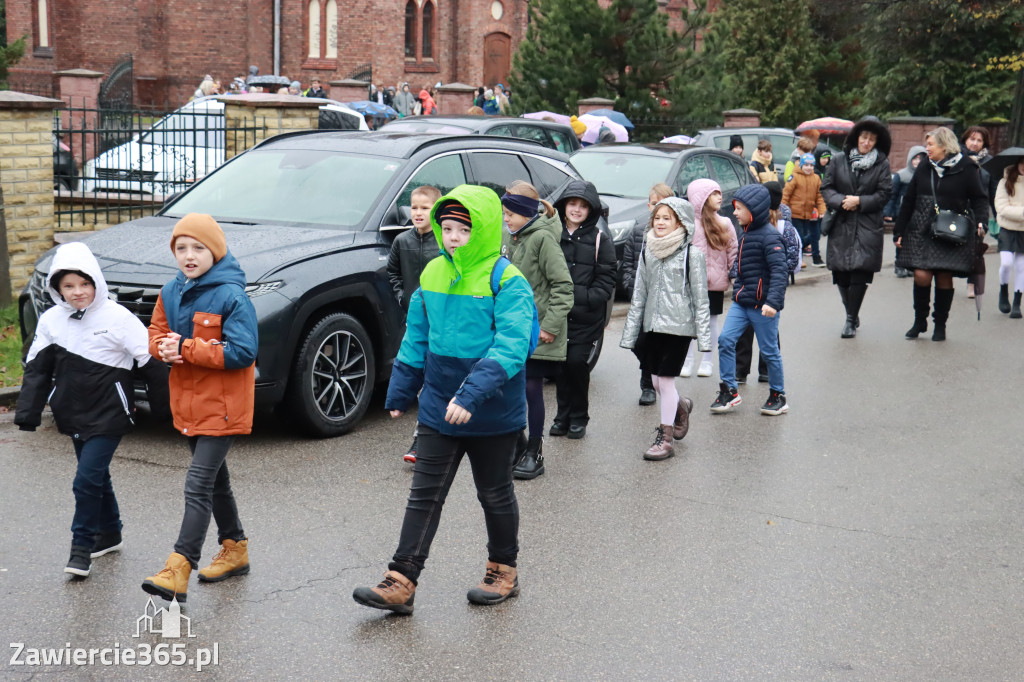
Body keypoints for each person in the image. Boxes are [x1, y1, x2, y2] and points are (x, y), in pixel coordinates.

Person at [352, 185, 536, 614]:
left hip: (492, 409)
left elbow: (511, 347)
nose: (452, 236)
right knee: (424, 494)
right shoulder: (433, 273)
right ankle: (401, 579)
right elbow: (417, 336)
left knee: (494, 494)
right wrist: (401, 387)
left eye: (463, 229)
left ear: (486, 229)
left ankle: (503, 569)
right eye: (447, 227)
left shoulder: (507, 280)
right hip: (439, 405)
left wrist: (471, 394)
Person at [15, 242, 169, 578]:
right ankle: (110, 534)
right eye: (68, 286)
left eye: (84, 284)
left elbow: (151, 363)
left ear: (96, 283)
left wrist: (166, 410)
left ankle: (81, 548)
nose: (78, 292)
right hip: (72, 413)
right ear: (57, 288)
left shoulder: (116, 317)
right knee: (96, 476)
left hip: (110, 414)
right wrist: (27, 413)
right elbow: (38, 368)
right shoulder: (52, 320)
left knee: (85, 480)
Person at [142, 213, 259, 603]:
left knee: (197, 485)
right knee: (215, 482)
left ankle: (179, 568)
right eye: (181, 248)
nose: (189, 256)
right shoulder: (171, 291)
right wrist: (163, 348)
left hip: (223, 408)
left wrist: (187, 348)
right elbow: (156, 333)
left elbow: (244, 351)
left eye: (198, 248)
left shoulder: (231, 295)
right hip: (189, 405)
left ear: (215, 251)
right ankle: (235, 549)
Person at [620, 198, 710, 460]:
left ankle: (665, 437)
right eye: (657, 217)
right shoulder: (648, 251)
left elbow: (700, 298)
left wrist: (704, 339)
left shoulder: (692, 255)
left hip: (679, 328)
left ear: (680, 222)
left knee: (667, 382)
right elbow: (639, 294)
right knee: (657, 382)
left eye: (667, 218)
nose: (660, 222)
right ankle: (681, 406)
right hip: (652, 325)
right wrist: (631, 331)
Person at [502, 181, 573, 480]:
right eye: (503, 213)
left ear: (526, 213)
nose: (505, 218)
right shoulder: (510, 237)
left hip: (538, 331)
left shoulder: (543, 239)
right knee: (511, 388)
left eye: (510, 213)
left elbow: (564, 286)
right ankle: (518, 445)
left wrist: (549, 326)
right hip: (510, 328)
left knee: (531, 389)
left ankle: (535, 450)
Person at [894, 127, 989, 341]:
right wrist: (899, 230)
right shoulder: (925, 166)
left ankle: (940, 324)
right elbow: (908, 199)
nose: (926, 149)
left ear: (944, 146)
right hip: (921, 226)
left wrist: (982, 221)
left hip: (951, 228)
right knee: (921, 273)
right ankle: (920, 320)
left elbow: (979, 198)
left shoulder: (967, 167)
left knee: (944, 275)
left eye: (930, 145)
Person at [710, 184, 789, 416]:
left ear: (754, 210)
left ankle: (778, 395)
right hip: (742, 302)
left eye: (739, 208)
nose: (734, 212)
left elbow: (779, 272)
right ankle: (729, 391)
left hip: (763, 305)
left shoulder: (771, 237)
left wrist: (773, 303)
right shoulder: (745, 232)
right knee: (725, 340)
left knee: (769, 350)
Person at [550, 180, 617, 439]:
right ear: (564, 206)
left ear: (591, 210)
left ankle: (579, 417)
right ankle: (561, 416)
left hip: (585, 316)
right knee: (560, 367)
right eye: (572, 204)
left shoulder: (600, 238)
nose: (576, 210)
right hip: (558, 315)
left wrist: (585, 297)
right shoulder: (553, 234)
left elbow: (607, 279)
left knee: (576, 363)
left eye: (583, 206)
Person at [821, 117, 893, 339]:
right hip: (841, 222)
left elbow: (884, 193)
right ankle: (850, 309)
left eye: (872, 139)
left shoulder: (882, 164)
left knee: (860, 273)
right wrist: (842, 200)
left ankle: (850, 320)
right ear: (856, 138)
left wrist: (860, 202)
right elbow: (827, 187)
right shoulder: (838, 160)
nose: (867, 142)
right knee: (841, 274)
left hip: (866, 225)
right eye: (864, 137)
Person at [387, 185, 443, 464]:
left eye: (424, 208)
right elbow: (393, 273)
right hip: (413, 321)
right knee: (419, 376)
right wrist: (402, 297)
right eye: (414, 207)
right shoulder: (401, 241)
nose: (418, 213)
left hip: (442, 322)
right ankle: (422, 440)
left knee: (437, 378)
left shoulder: (445, 242)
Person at [735, 181, 800, 384]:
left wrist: (771, 274)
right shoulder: (748, 226)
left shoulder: (784, 227)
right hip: (749, 286)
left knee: (768, 332)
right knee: (744, 331)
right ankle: (740, 370)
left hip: (771, 288)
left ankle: (766, 370)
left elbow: (790, 258)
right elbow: (740, 253)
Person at [622, 183, 675, 403]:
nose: (658, 211)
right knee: (637, 341)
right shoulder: (637, 232)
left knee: (657, 342)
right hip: (641, 299)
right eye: (655, 204)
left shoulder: (678, 237)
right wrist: (633, 286)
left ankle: (649, 386)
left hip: (665, 302)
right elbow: (627, 265)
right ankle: (653, 372)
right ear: (648, 205)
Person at [681, 179, 736, 380]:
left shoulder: (725, 223)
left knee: (711, 323)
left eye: (719, 193)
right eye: (714, 194)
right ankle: (686, 361)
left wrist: (733, 273)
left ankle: (707, 361)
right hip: (690, 283)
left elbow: (733, 252)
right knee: (688, 323)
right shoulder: (687, 225)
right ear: (700, 198)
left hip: (714, 284)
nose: (720, 197)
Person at [961, 126, 995, 300]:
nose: (974, 143)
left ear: (984, 143)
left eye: (979, 140)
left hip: (979, 213)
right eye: (972, 139)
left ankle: (972, 283)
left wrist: (997, 217)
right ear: (965, 140)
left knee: (976, 250)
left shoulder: (989, 163)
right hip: (958, 210)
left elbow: (993, 191)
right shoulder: (957, 159)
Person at [885, 145, 927, 278]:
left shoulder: (926, 176)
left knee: (914, 241)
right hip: (902, 213)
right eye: (915, 159)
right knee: (900, 239)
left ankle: (909, 265)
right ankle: (899, 264)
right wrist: (888, 212)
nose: (917, 162)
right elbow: (892, 195)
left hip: (919, 214)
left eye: (920, 159)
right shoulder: (901, 176)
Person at [784, 152, 827, 267]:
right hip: (795, 213)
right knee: (800, 237)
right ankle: (798, 260)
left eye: (811, 165)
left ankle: (813, 258)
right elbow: (786, 194)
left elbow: (819, 196)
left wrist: (822, 210)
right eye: (806, 165)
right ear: (801, 165)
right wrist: (783, 210)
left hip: (809, 213)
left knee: (814, 235)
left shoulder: (816, 178)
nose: (809, 168)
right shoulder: (794, 177)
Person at [994, 157, 1024, 318]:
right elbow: (1001, 207)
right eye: (1022, 163)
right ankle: (1003, 290)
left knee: (1021, 266)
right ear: (1017, 163)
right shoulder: (1004, 182)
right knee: (1006, 263)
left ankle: (1017, 303)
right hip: (1007, 228)